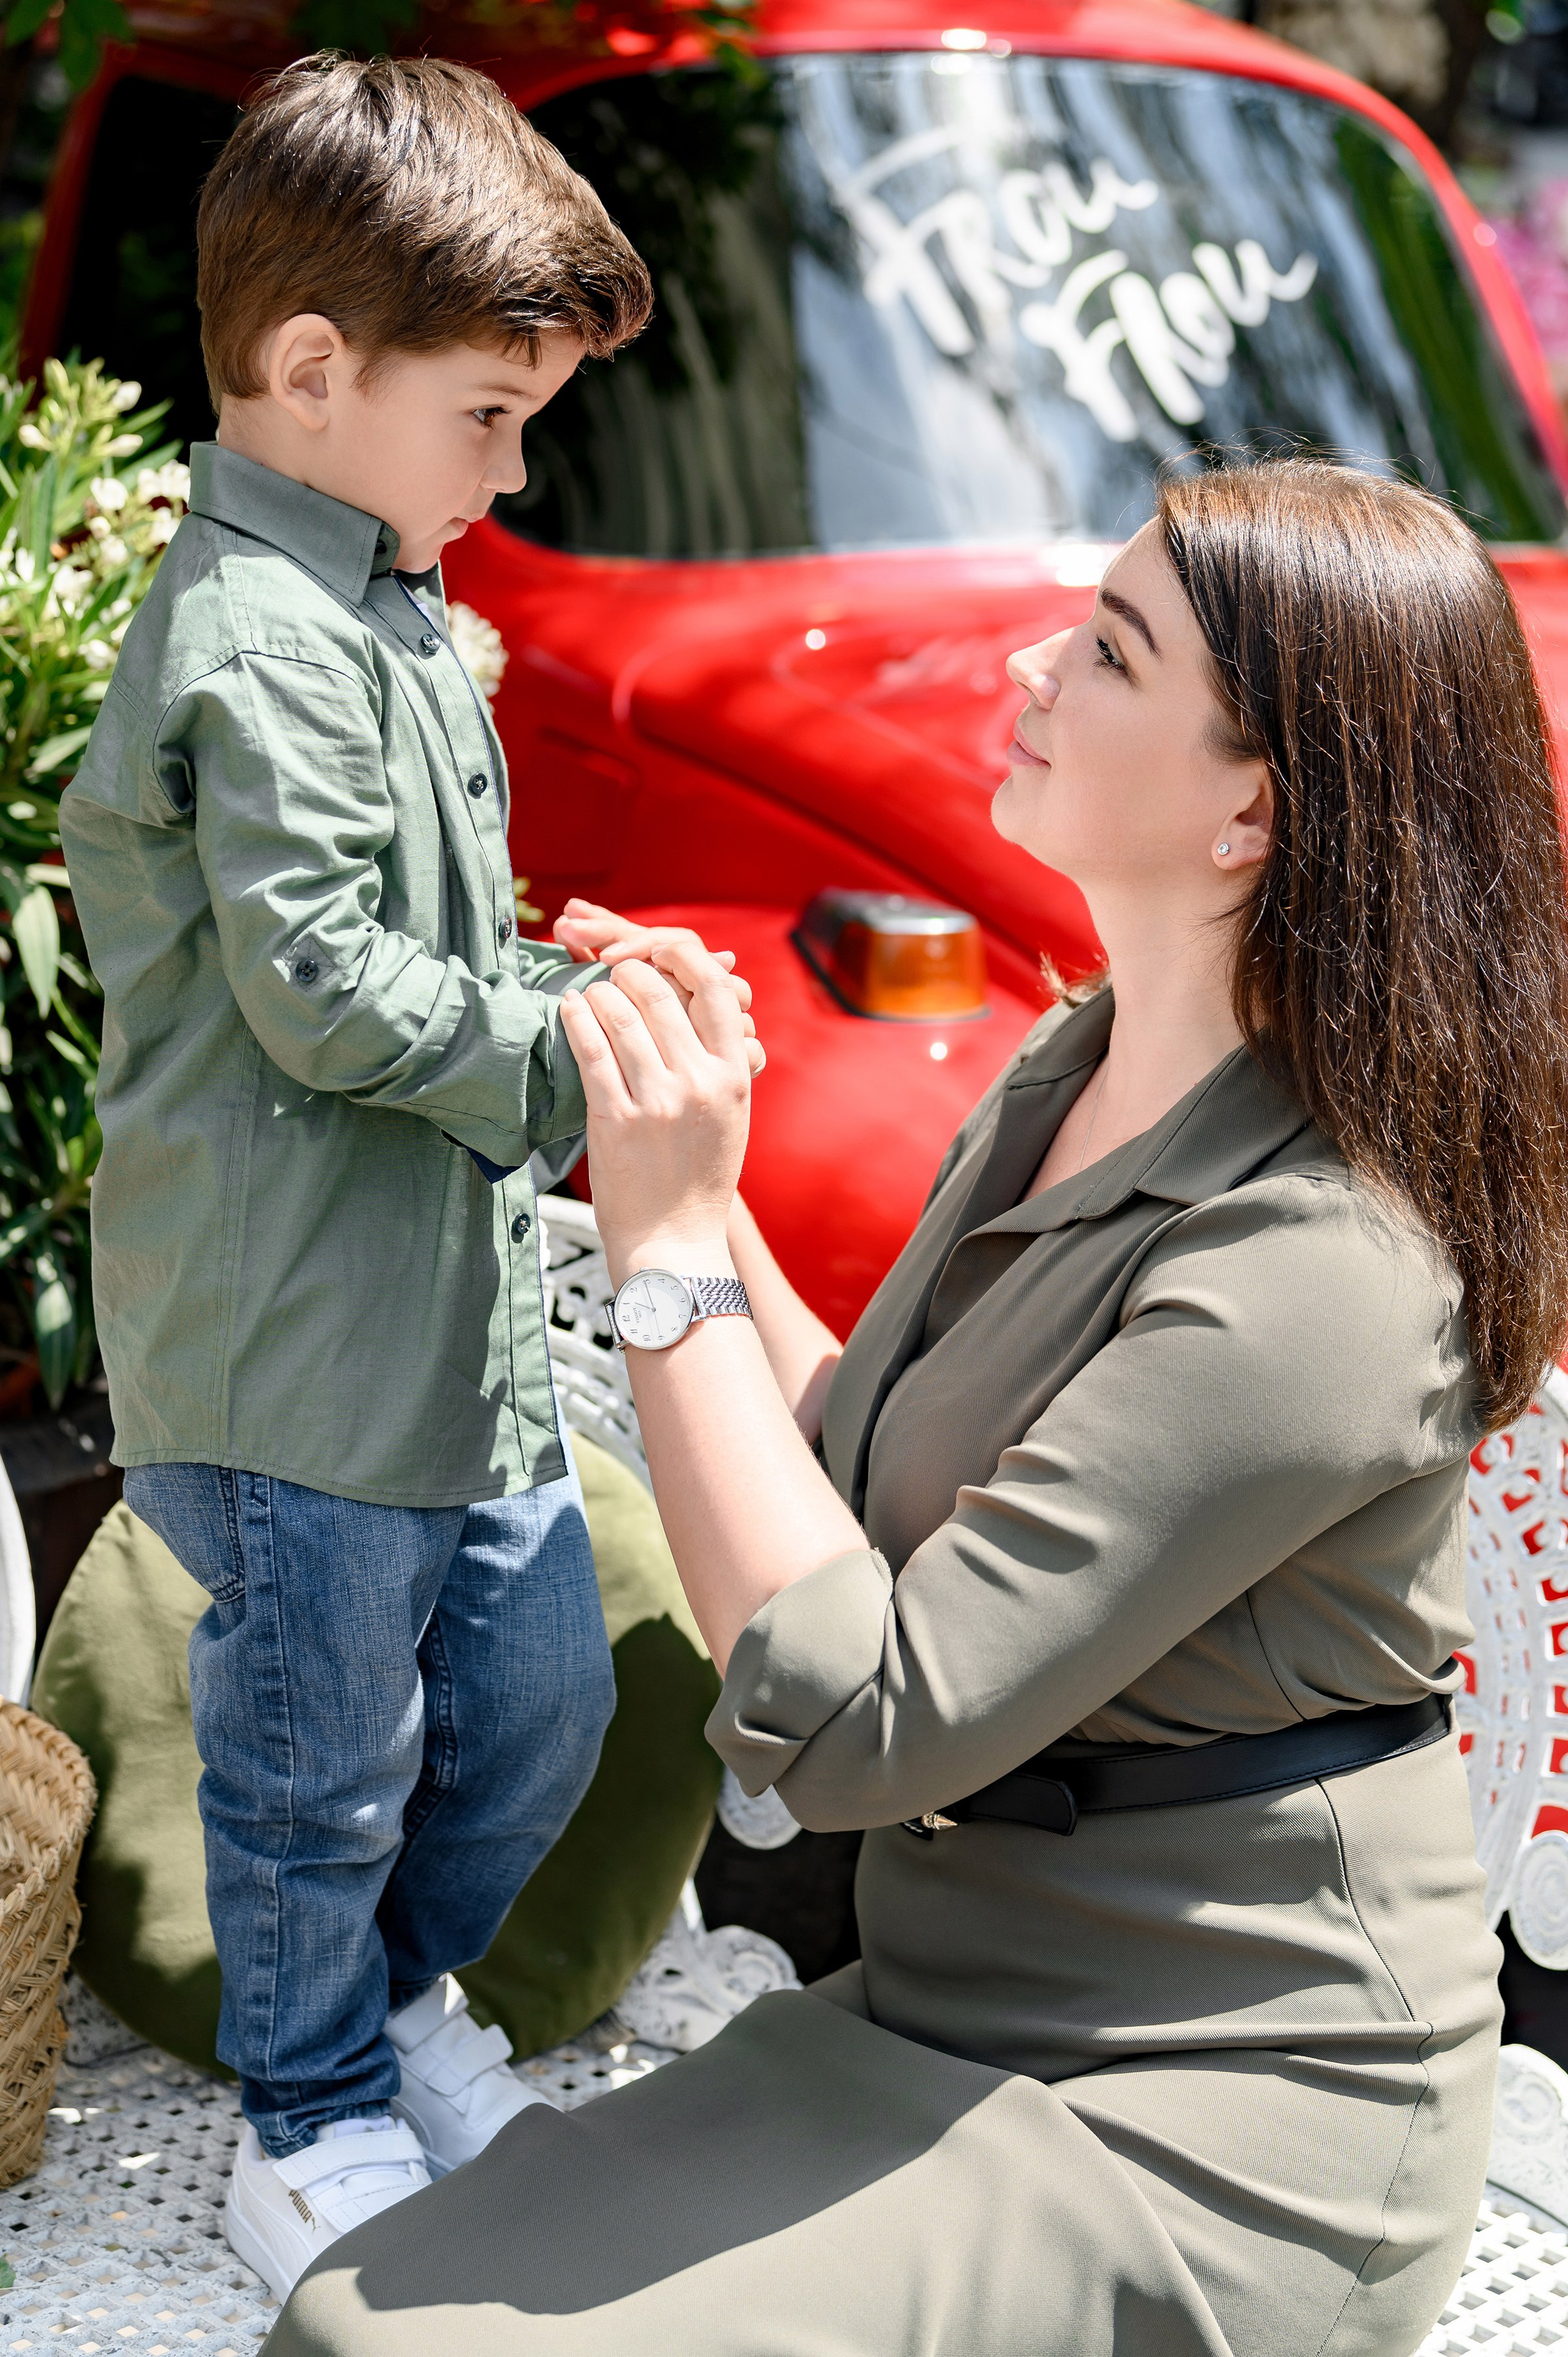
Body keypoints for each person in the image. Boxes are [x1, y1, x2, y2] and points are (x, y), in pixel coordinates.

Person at [267, 458, 1568, 2357]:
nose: (1033, 666)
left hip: (1225, 2120)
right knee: (351, 2313)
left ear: (1252, 811)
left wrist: (667, 1249)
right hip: (941, 2014)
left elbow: (867, 1721)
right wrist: (698, 1169)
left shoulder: (1327, 1266)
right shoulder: (1075, 1064)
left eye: (1111, 651)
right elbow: (843, 1461)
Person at [58, 50, 757, 2305]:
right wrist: (578, 1060)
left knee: (542, 1691)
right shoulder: (255, 635)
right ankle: (308, 2118)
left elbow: (418, 937)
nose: (513, 469)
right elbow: (324, 989)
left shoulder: (373, 595)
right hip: (292, 1345)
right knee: (315, 1763)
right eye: (490, 416)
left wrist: (571, 973)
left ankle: (385, 2011)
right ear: (310, 372)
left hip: (429, 1325)